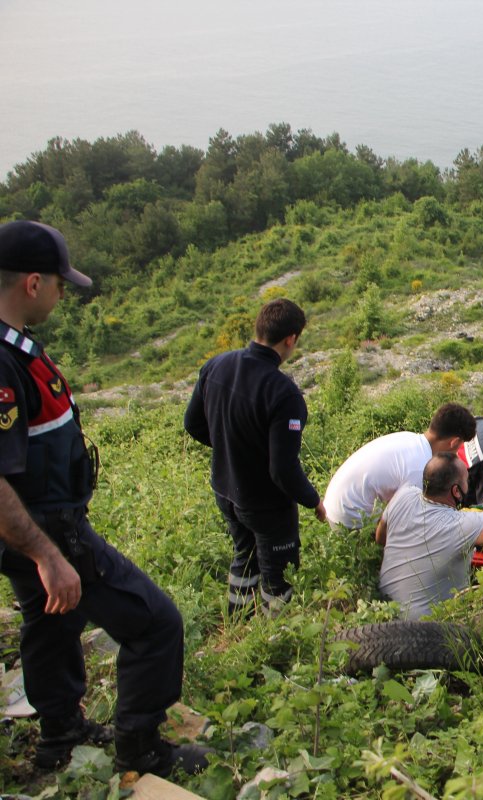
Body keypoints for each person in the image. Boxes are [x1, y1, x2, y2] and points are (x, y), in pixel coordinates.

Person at [0, 220, 210, 775]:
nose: (63, 293)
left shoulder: (13, 349)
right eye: (59, 283)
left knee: (50, 621)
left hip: (34, 528)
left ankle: (59, 736)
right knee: (155, 621)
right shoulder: (0, 362)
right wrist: (49, 557)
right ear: (31, 283)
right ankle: (139, 748)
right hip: (47, 531)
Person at [184, 298, 326, 616]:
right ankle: (275, 640)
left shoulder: (216, 365)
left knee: (244, 556)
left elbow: (192, 424)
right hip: (265, 503)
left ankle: (239, 622)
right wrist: (313, 499)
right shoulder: (283, 394)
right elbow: (282, 470)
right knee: (279, 578)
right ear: (290, 339)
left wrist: (231, 449)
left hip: (225, 490)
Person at [377, 453, 483, 620]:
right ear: (456, 491)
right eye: (466, 481)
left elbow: (381, 538)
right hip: (430, 630)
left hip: (383, 613)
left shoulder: (404, 495)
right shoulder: (463, 524)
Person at [323, 403, 477, 530]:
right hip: (347, 520)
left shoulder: (409, 439)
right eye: (460, 446)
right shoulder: (419, 467)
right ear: (454, 442)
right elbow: (406, 517)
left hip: (332, 504)